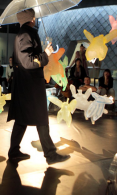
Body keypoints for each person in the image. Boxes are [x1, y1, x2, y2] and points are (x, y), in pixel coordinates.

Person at [7, 8, 70, 164]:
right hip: (30, 86)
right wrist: (45, 54)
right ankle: (50, 154)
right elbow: (28, 61)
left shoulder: (24, 34)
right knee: (41, 117)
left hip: (26, 85)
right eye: (34, 17)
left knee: (23, 118)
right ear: (32, 19)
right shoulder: (25, 35)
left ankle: (14, 151)